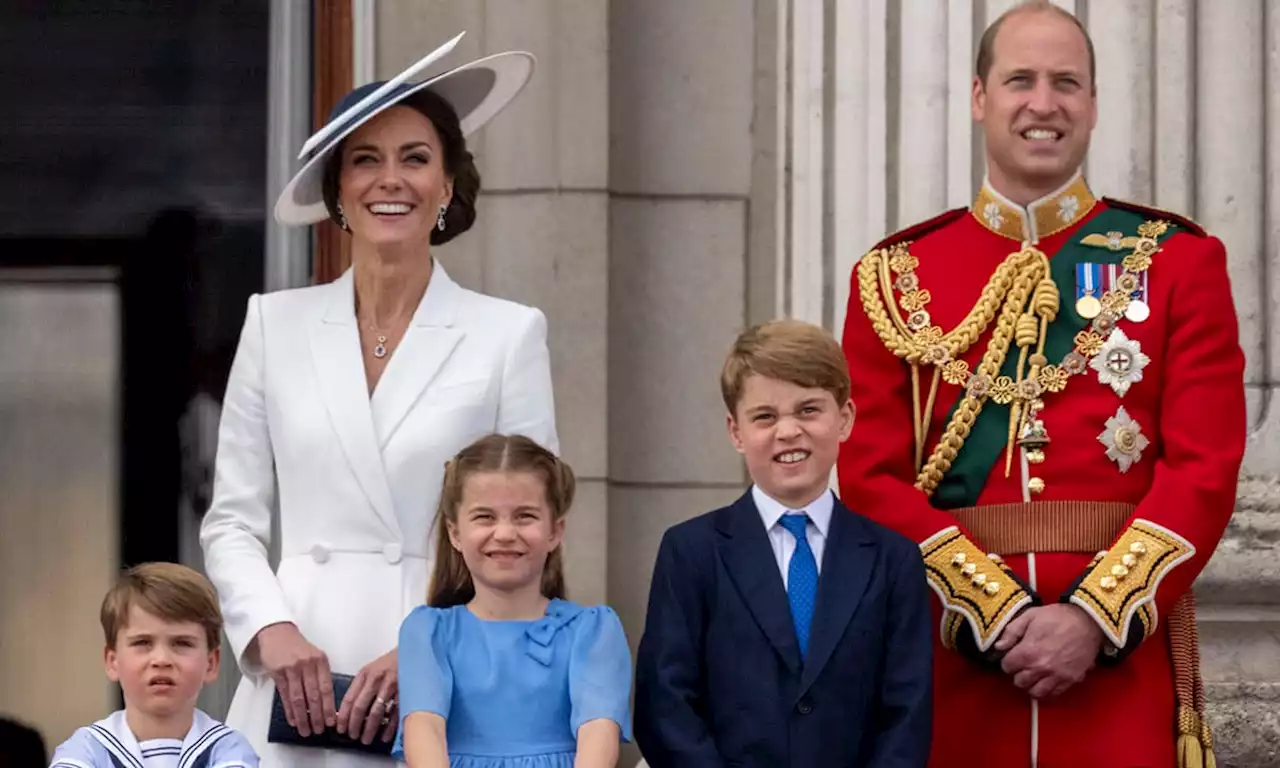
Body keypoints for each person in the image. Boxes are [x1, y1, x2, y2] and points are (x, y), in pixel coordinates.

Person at [836, 2, 1246, 766]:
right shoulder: (894, 277)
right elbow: (868, 476)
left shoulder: (1178, 262)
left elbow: (1203, 468)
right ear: (979, 98)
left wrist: (1094, 618)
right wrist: (991, 613)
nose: (1044, 102)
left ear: (1092, 105)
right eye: (1020, 79)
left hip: (1116, 674)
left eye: (1067, 82)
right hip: (954, 672)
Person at [199, 32, 558, 766]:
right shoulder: (274, 323)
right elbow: (231, 521)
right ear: (337, 192)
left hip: (446, 679)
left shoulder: (509, 334)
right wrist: (271, 633)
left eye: (415, 158)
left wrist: (433, 647)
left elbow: (527, 530)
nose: (389, 180)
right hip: (295, 683)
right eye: (365, 160)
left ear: (448, 186)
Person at [634, 319, 933, 767]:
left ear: (845, 418)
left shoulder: (893, 560)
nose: (788, 431)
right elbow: (666, 703)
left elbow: (907, 712)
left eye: (808, 410)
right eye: (765, 417)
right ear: (736, 432)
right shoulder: (691, 551)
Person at [393, 433, 632, 767]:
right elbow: (424, 729)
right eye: (484, 517)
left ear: (555, 531)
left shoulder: (593, 630)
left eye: (524, 516)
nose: (504, 533)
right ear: (455, 533)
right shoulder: (428, 632)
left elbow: (598, 734)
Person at [47, 562, 259, 768]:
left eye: (182, 643)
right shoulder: (87, 749)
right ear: (113, 662)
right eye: (142, 643)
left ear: (211, 664)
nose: (161, 660)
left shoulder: (228, 749)